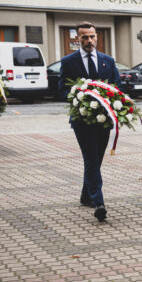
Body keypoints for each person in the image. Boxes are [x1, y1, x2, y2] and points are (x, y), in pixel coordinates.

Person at [58, 21, 121, 222]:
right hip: (81, 120)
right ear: (78, 39)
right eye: (84, 37)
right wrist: (78, 96)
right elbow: (61, 89)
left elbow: (117, 87)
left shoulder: (107, 61)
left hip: (103, 120)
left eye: (92, 36)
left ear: (97, 37)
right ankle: (98, 201)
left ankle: (86, 195)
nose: (89, 40)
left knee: (97, 159)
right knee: (91, 158)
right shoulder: (69, 62)